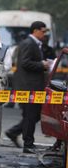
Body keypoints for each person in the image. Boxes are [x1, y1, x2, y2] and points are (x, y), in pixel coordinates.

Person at [5, 21, 50, 154]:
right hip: (28, 87)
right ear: (35, 31)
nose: (44, 34)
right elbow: (25, 63)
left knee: (34, 115)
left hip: (33, 86)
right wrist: (42, 65)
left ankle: (13, 132)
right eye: (43, 31)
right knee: (31, 115)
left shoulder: (35, 44)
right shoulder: (28, 43)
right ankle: (28, 144)